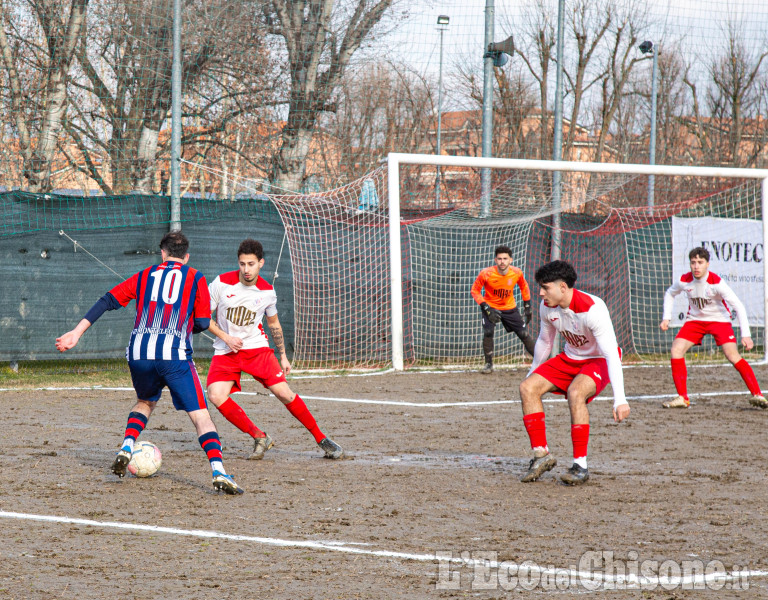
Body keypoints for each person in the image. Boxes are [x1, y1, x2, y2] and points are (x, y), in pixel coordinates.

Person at [55, 232, 244, 495]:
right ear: (186, 257)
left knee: (145, 402)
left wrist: (76, 333)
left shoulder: (145, 275)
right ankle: (219, 471)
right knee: (201, 415)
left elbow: (108, 300)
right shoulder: (196, 277)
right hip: (174, 356)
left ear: (163, 254)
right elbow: (202, 323)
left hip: (139, 354)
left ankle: (126, 446)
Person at [205, 238, 344, 460]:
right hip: (226, 350)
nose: (246, 269)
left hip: (257, 349)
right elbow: (204, 317)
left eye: (251, 264)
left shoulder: (267, 291)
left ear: (261, 263)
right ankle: (259, 437)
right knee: (215, 395)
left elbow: (274, 324)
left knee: (284, 393)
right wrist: (226, 338)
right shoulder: (220, 283)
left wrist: (283, 356)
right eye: (242, 264)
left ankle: (321, 439)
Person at [518, 260, 630, 485]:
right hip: (570, 357)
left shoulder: (592, 308)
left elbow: (610, 354)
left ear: (562, 287)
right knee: (527, 387)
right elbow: (544, 340)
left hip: (597, 360)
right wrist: (532, 371)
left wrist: (620, 399)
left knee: (576, 392)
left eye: (545, 287)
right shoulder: (548, 307)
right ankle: (541, 455)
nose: (540, 293)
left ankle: (580, 465)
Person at [660, 246, 766, 409]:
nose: (696, 266)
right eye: (693, 262)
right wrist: (666, 317)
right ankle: (683, 398)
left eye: (700, 262)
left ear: (707, 264)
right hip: (695, 322)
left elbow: (738, 306)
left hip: (719, 321)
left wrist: (746, 335)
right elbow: (670, 293)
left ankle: (758, 394)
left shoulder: (716, 283)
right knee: (676, 350)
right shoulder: (684, 280)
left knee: (732, 355)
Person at [471, 245, 536, 374]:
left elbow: (524, 287)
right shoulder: (486, 273)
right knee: (488, 332)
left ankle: (541, 362)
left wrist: (527, 306)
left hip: (509, 307)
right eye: (499, 258)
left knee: (524, 334)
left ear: (510, 260)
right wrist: (486, 307)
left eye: (505, 258)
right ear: (495, 260)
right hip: (490, 307)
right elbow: (475, 290)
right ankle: (488, 364)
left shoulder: (516, 272)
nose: (502, 261)